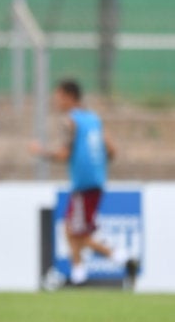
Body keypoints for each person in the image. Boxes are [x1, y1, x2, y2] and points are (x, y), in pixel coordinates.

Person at [30, 79, 123, 285]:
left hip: (83, 183)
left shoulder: (70, 121)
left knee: (75, 232)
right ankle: (78, 269)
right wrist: (97, 164)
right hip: (96, 180)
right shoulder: (94, 119)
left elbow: (64, 154)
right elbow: (112, 150)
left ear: (69, 97)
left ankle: (117, 256)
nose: (56, 101)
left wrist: (40, 152)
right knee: (70, 229)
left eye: (59, 96)